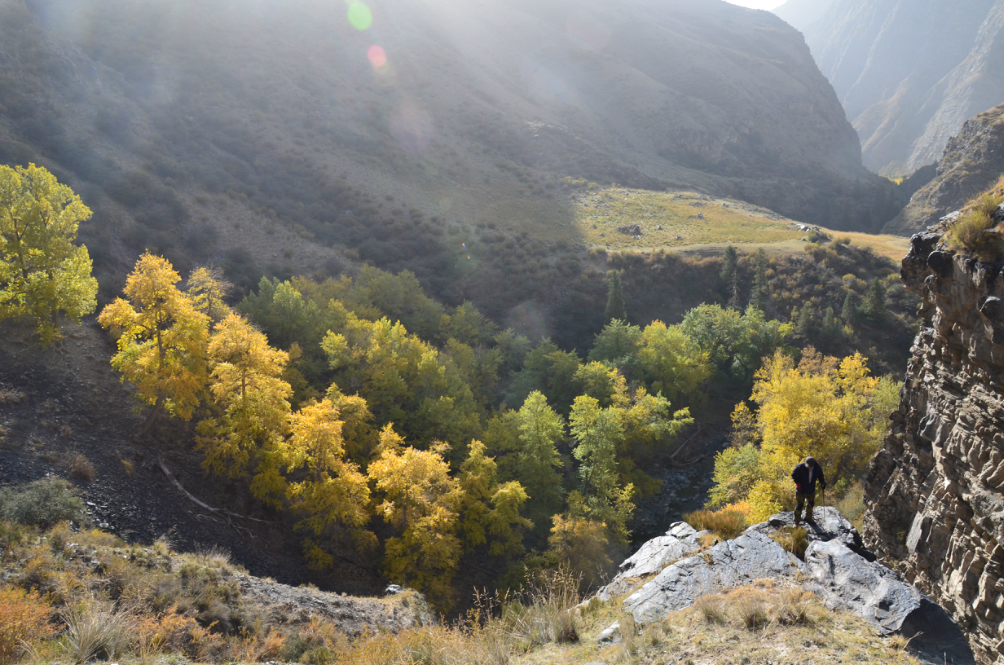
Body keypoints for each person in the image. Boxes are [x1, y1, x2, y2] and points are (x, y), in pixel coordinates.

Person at [791, 456, 826, 526]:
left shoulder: (817, 468)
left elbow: (821, 476)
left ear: (814, 464)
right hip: (801, 489)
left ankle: (808, 518)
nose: (809, 467)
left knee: (811, 504)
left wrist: (822, 482)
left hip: (811, 489)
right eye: (808, 466)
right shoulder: (800, 467)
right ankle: (796, 521)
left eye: (811, 466)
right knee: (799, 505)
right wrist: (798, 483)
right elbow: (793, 474)